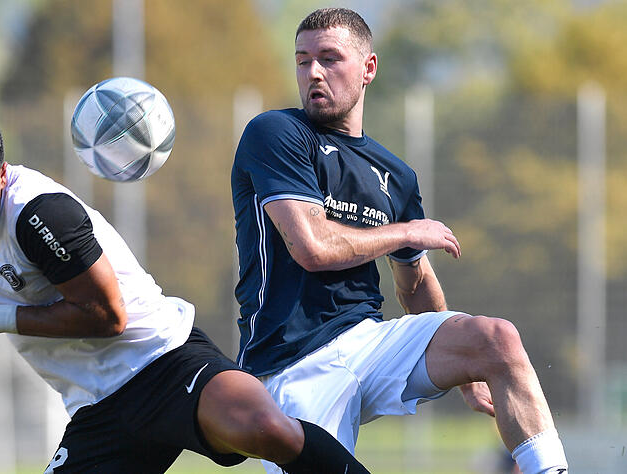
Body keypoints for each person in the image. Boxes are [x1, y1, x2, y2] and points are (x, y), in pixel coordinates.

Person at [0, 110, 368, 473]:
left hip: (164, 361)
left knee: (261, 428)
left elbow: (106, 316)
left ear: (1, 174)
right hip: (96, 408)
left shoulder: (41, 215)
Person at [231, 8, 568, 474]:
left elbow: (413, 285)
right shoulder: (276, 133)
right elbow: (311, 248)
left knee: (495, 339)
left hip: (369, 343)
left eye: (330, 58)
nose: (313, 72)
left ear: (368, 68)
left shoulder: (395, 175)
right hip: (292, 363)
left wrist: (468, 373)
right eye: (303, 59)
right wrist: (406, 231)